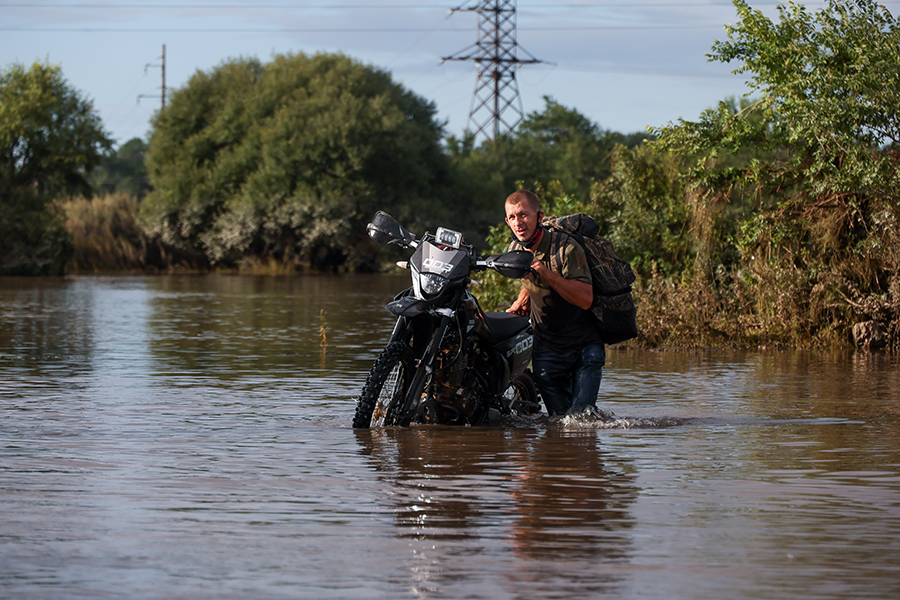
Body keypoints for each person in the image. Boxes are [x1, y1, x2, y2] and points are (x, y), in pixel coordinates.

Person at [504, 190, 609, 419]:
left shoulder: (567, 248)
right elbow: (529, 279)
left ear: (539, 217)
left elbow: (585, 298)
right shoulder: (515, 251)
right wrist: (521, 300)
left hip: (584, 347)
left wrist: (546, 274)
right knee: (559, 422)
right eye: (512, 217)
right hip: (547, 347)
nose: (518, 222)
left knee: (581, 420)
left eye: (524, 215)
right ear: (507, 221)